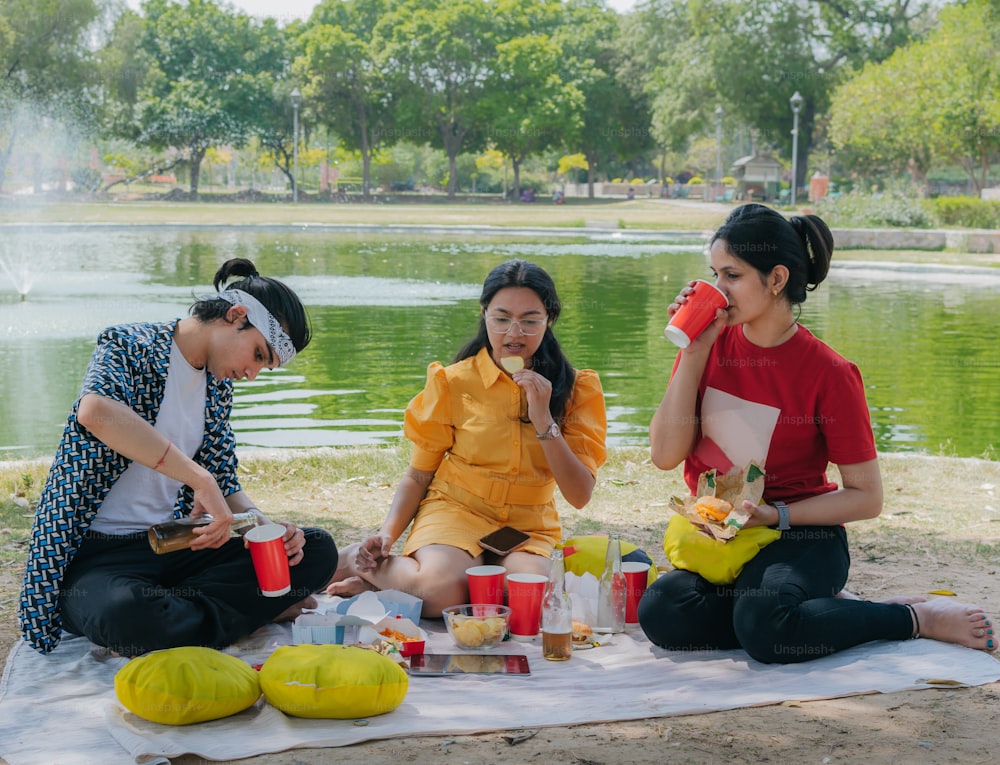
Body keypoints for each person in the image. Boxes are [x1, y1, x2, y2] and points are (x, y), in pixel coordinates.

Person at [638, 204, 994, 663]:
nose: (715, 289)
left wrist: (776, 516)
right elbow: (665, 456)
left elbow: (867, 497)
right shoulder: (707, 346)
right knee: (664, 614)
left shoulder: (830, 373)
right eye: (714, 273)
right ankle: (813, 613)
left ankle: (914, 618)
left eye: (731, 275)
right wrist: (692, 351)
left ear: (777, 279)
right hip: (720, 532)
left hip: (800, 536)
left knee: (764, 627)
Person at [19, 258, 338, 656]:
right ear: (235, 316)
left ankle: (186, 619)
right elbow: (96, 412)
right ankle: (239, 613)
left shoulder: (217, 387)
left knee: (317, 550)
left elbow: (224, 483)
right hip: (99, 557)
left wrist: (269, 531)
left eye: (265, 366)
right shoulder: (130, 344)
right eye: (258, 354)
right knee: (128, 613)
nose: (252, 373)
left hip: (177, 546)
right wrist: (198, 478)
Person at [327, 259, 607, 616]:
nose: (514, 333)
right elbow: (419, 474)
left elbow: (580, 494)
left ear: (548, 319)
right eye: (501, 318)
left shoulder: (577, 388)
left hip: (527, 522)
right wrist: (387, 533)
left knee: (529, 602)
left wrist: (542, 418)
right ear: (484, 314)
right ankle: (359, 562)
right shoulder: (454, 381)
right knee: (442, 592)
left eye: (530, 320)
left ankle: (380, 586)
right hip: (457, 510)